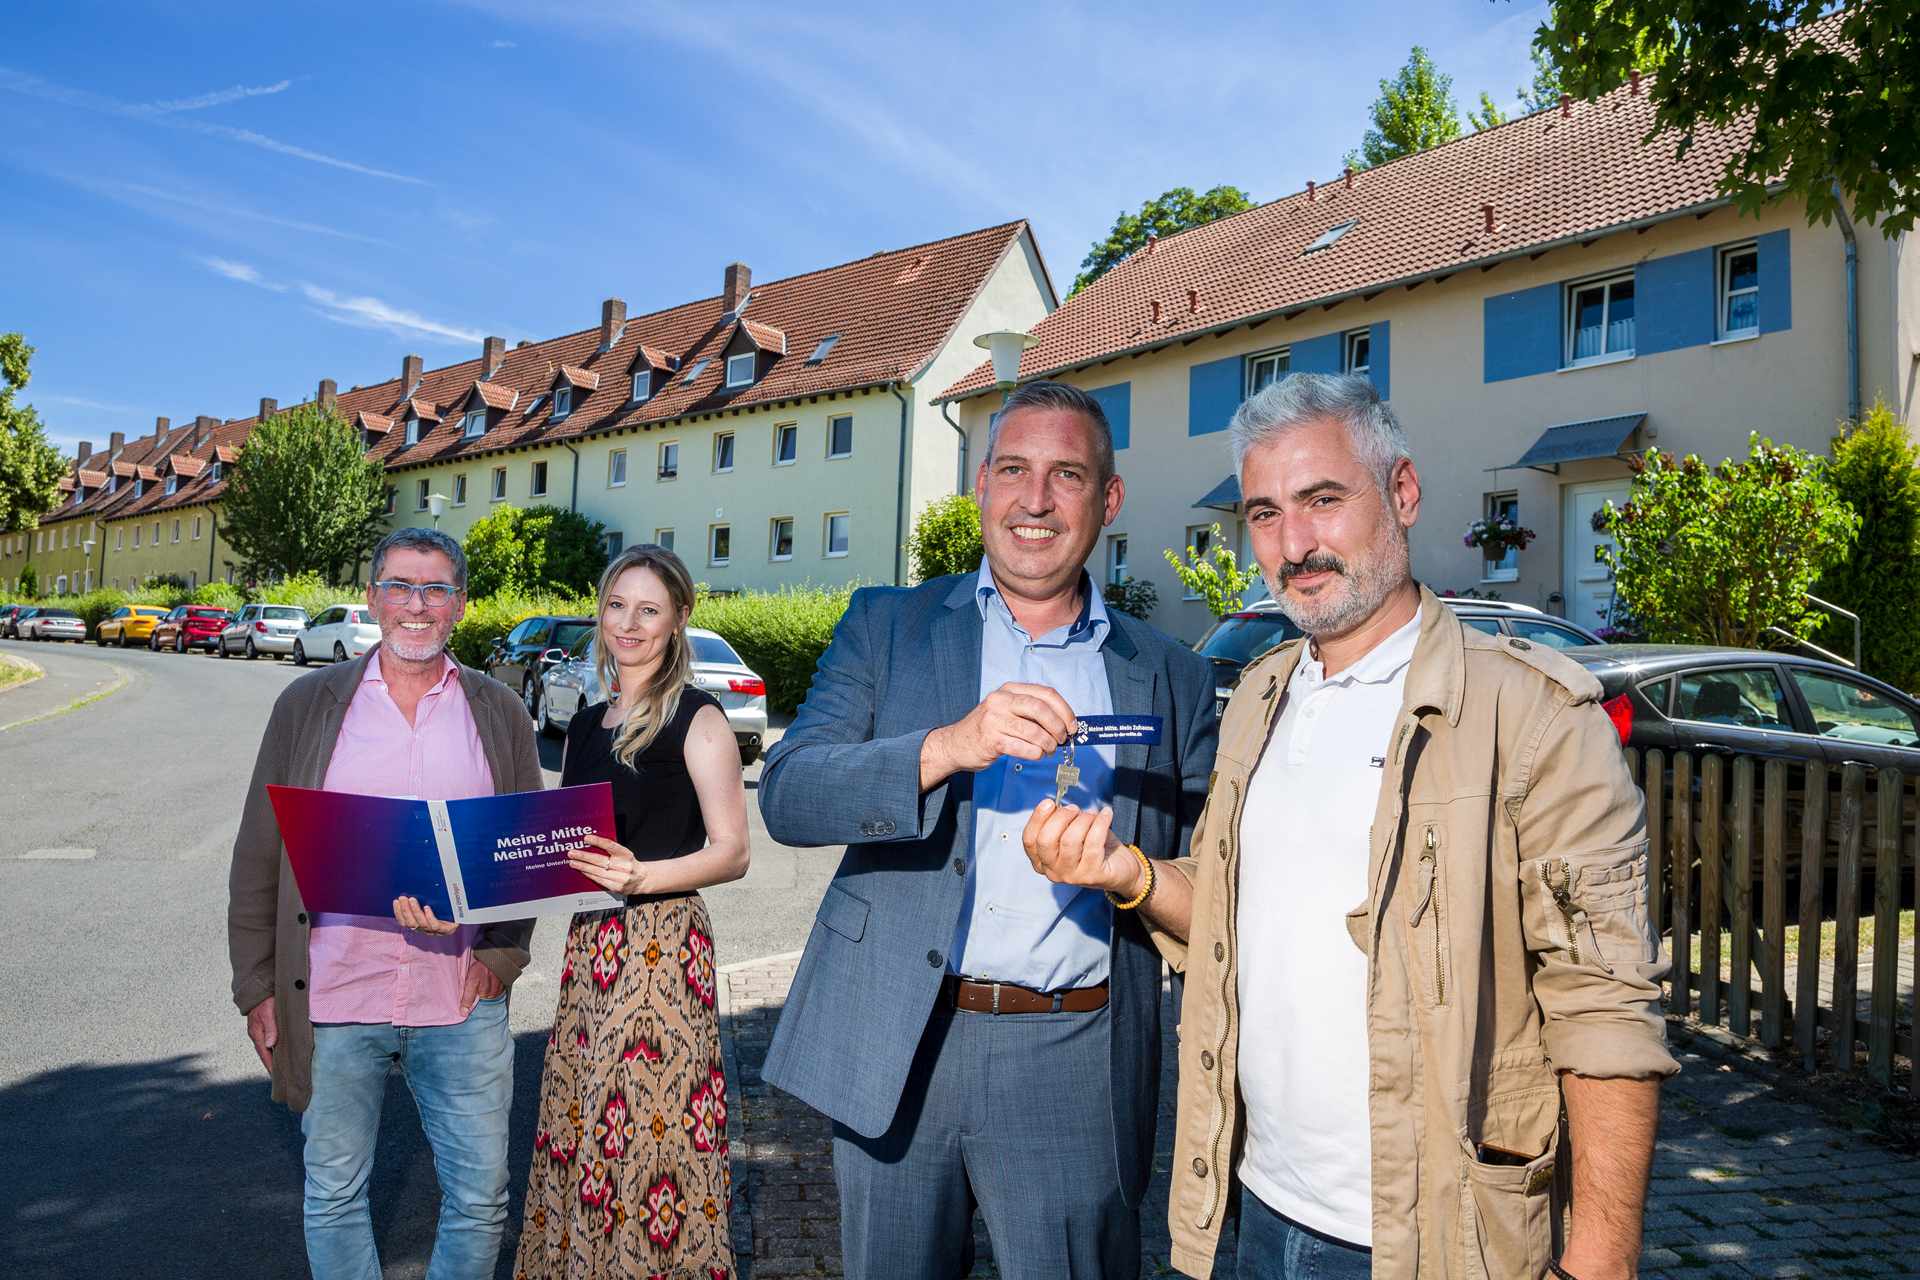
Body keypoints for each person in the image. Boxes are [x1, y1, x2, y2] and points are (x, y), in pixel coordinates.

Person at [1025, 373, 1678, 1280]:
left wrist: (1601, 1262)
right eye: (1263, 513)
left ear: (1401, 492)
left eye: (1323, 500)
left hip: (1431, 1236)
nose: (1294, 544)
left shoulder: (1530, 715)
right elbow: (1227, 914)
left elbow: (1604, 1006)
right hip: (1253, 1206)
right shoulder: (1260, 696)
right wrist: (1124, 869)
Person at [758, 381, 1219, 1279]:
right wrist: (947, 745)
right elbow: (788, 795)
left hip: (1075, 1056)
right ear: (980, 484)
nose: (1035, 499)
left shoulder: (1171, 677)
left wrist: (1129, 871)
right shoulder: (886, 626)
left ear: (1109, 498)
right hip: (900, 1045)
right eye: (1013, 469)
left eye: (1066, 475)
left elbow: (1212, 873)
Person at [226, 527, 543, 1279]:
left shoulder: (499, 713)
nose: (416, 605)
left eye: (436, 589)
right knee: (335, 1192)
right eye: (400, 586)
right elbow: (257, 856)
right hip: (334, 994)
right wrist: (257, 987)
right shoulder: (308, 705)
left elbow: (521, 853)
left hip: (458, 998)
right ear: (372, 596)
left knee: (480, 1196)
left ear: (460, 606)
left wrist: (500, 955)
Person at [510, 543, 750, 1279]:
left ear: (679, 620)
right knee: (583, 1123)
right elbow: (564, 843)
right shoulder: (584, 724)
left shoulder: (698, 718)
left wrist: (645, 878)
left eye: (649, 609)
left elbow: (733, 851)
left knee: (653, 1140)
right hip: (592, 947)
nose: (629, 623)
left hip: (664, 949)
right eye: (617, 605)